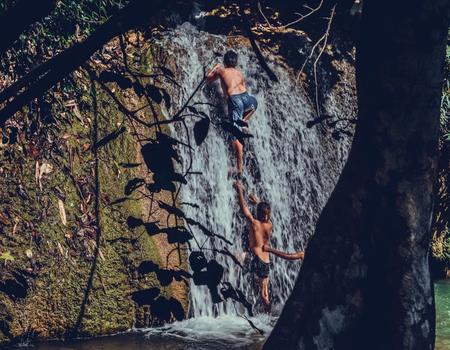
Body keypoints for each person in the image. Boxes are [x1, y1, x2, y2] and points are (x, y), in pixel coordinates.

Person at [233, 180, 304, 308]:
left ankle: (266, 308)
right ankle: (268, 311)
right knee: (264, 292)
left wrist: (239, 191)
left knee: (234, 256)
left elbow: (244, 210)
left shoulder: (254, 223)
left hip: (255, 258)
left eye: (266, 215)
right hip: (266, 261)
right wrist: (258, 202)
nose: (266, 217)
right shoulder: (270, 224)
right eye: (265, 214)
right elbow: (263, 210)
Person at [206, 50, 258, 175]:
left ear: (224, 61)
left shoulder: (222, 70)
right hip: (248, 100)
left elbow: (208, 78)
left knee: (235, 135)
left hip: (235, 101)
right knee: (253, 105)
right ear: (236, 62)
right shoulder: (239, 73)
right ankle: (245, 121)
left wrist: (216, 67)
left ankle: (239, 168)